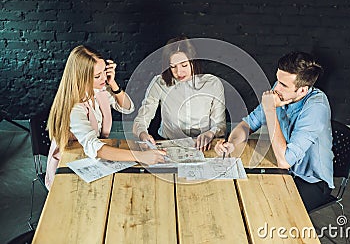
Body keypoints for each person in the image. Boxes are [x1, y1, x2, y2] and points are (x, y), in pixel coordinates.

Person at [215, 51, 334, 212]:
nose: (276, 88)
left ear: (302, 91)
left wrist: (270, 110)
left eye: (283, 85)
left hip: (311, 181)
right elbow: (248, 124)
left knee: (269, 211)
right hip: (284, 171)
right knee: (238, 197)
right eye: (277, 80)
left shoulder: (316, 108)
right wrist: (231, 144)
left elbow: (284, 162)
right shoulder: (280, 92)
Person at [45, 45, 165, 189]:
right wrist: (139, 156)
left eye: (104, 72)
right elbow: (94, 147)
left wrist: (112, 83)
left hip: (87, 156)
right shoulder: (75, 108)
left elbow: (127, 108)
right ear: (81, 77)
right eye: (97, 76)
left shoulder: (98, 89)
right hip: (68, 164)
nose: (103, 78)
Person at [133, 36, 226, 151]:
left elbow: (220, 124)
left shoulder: (212, 84)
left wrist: (210, 133)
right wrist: (143, 135)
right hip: (168, 144)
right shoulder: (159, 83)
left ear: (193, 61)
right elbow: (140, 120)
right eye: (173, 67)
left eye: (184, 65)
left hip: (203, 146)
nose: (179, 72)